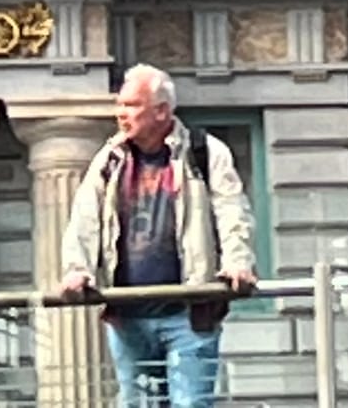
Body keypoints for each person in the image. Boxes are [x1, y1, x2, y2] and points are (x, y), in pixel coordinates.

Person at [60, 63, 257, 408]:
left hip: (189, 314)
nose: (121, 113)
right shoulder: (110, 159)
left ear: (162, 111)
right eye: (120, 104)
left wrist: (237, 262)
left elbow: (232, 212)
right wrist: (78, 270)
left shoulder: (205, 152)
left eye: (132, 105)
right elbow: (84, 219)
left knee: (190, 404)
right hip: (129, 317)